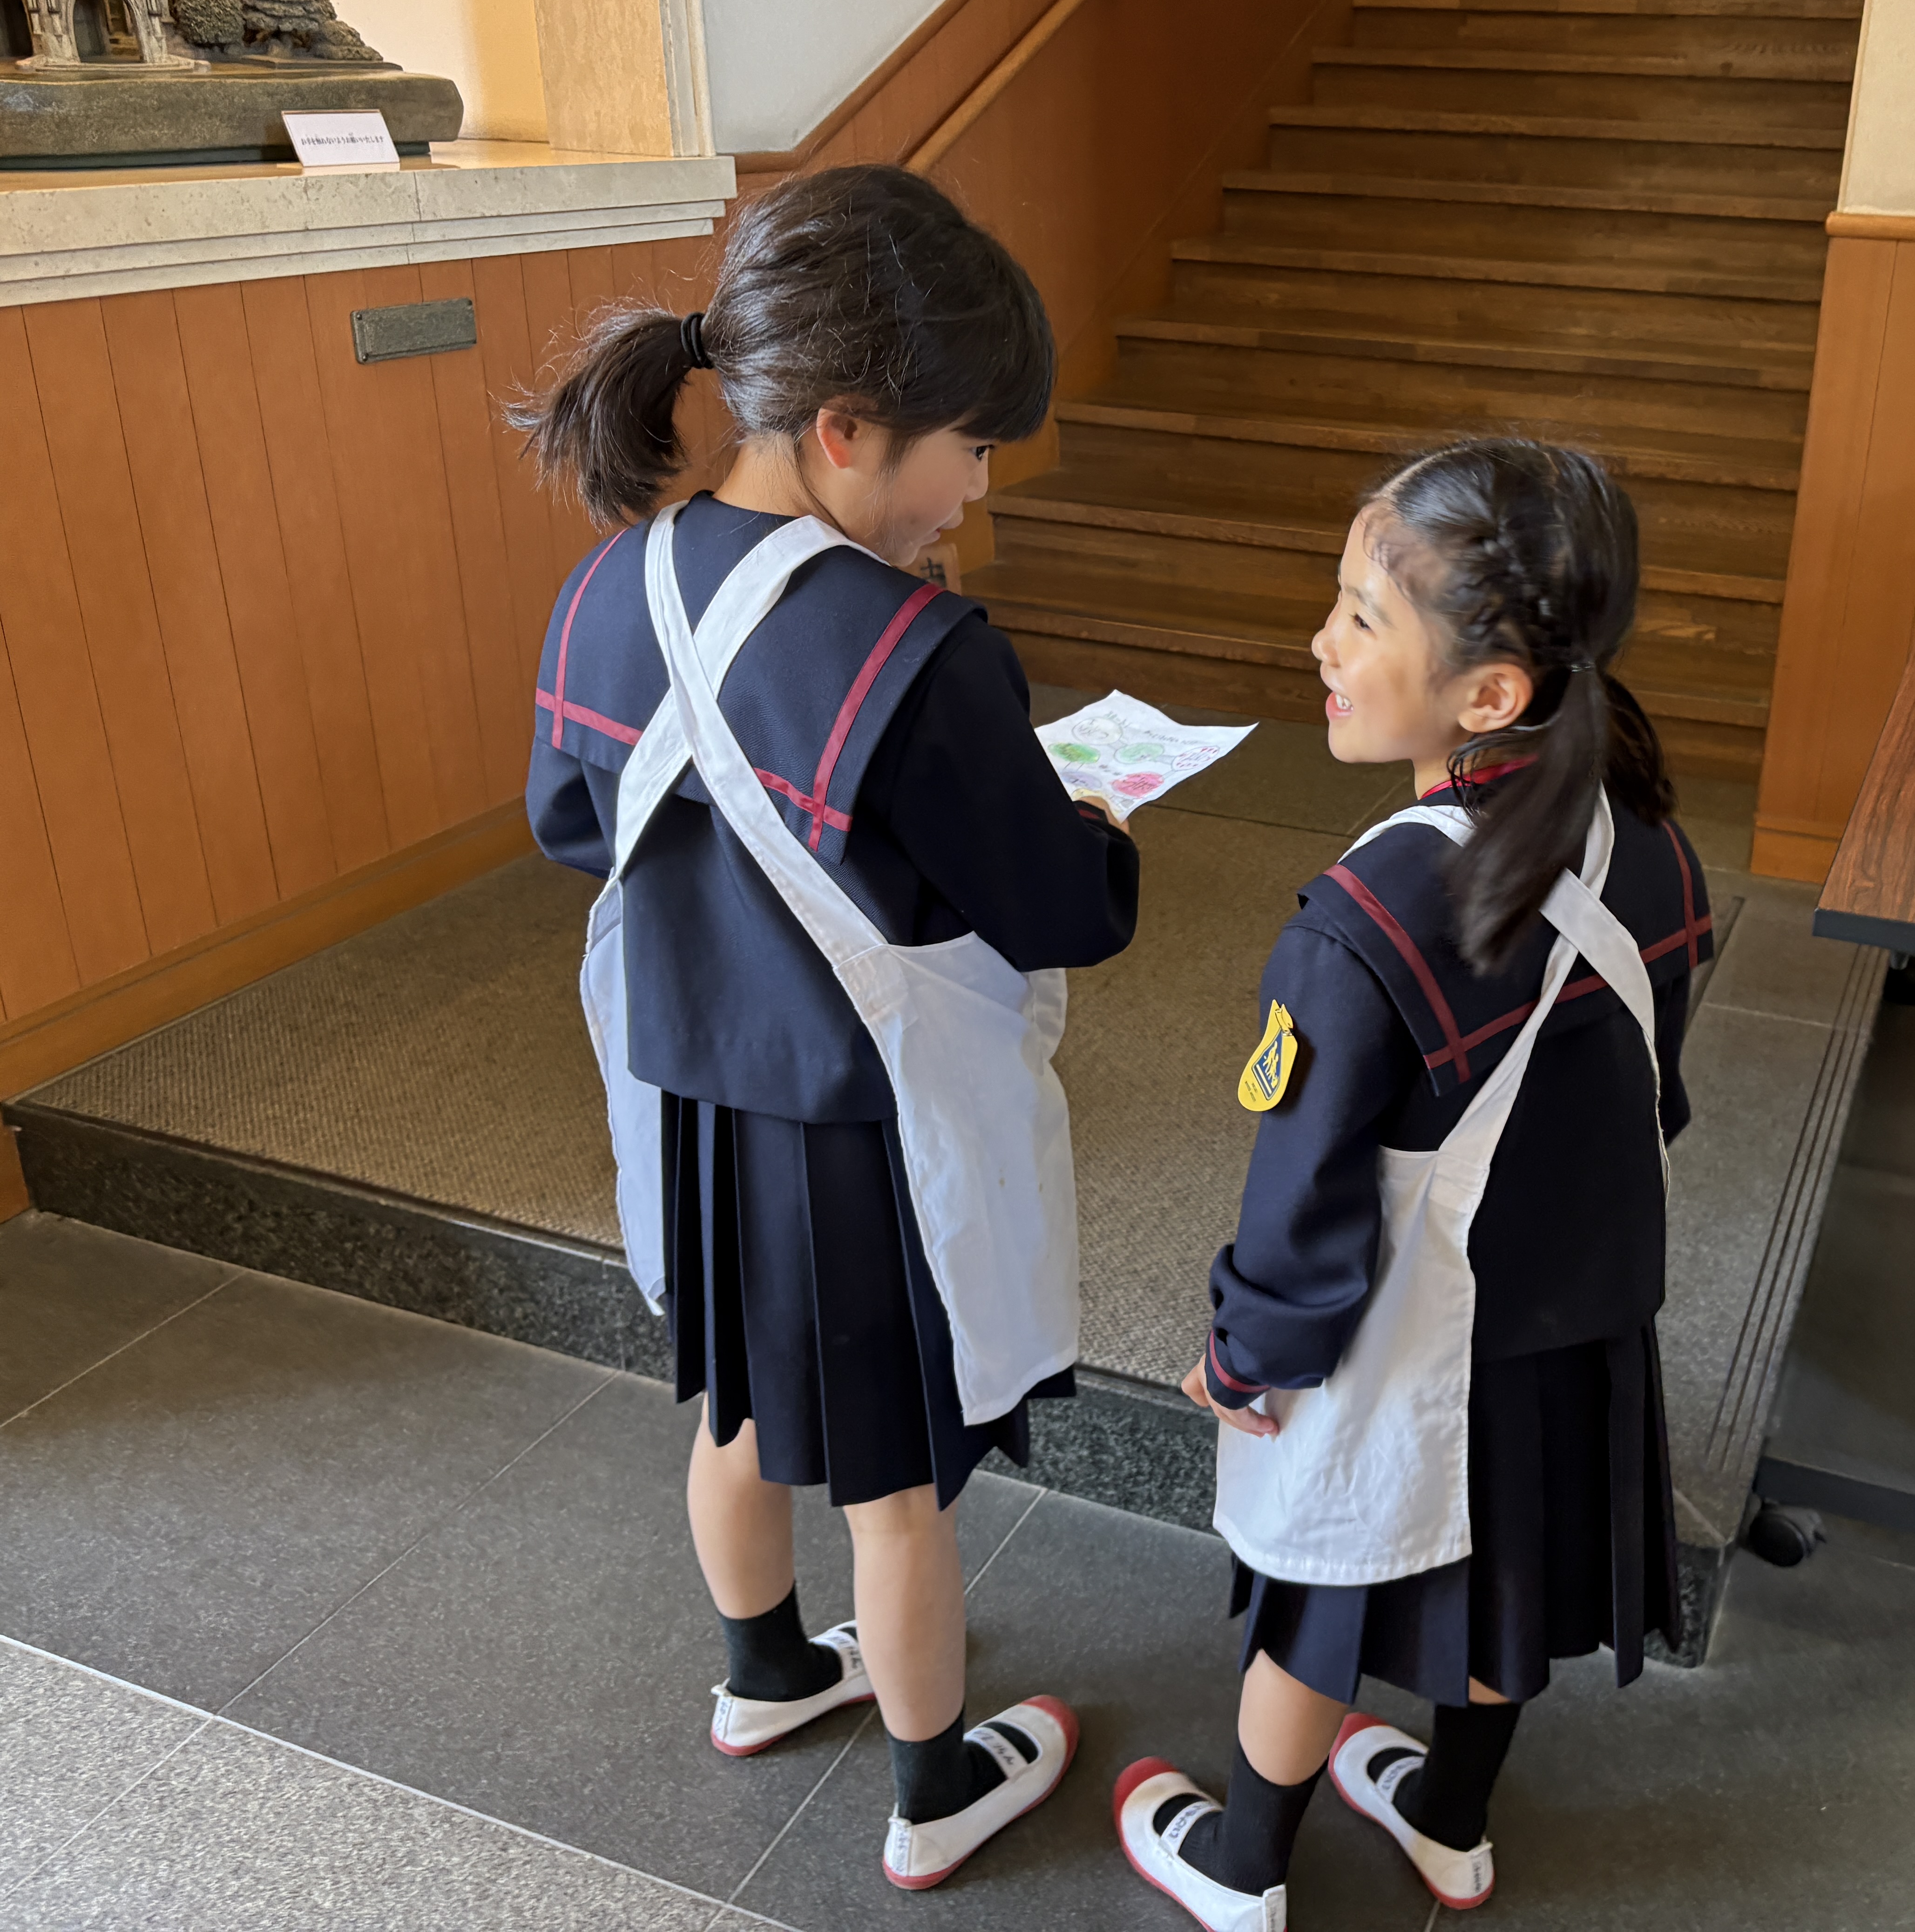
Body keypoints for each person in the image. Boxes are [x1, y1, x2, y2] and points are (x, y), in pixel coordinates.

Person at [514, 164, 1138, 1892]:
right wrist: (1098, 831)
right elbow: (1059, 909)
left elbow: (573, 827)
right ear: (850, 430)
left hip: (689, 1106)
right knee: (895, 1489)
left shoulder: (609, 586)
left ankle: (767, 1672)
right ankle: (937, 1784)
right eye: (973, 447)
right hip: (866, 1143)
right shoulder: (916, 650)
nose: (980, 488)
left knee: (729, 1401)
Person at [1116, 439, 1709, 1927]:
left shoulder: (1370, 914)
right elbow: (1656, 1089)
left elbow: (1305, 1200)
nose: (1322, 641)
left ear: (1489, 693)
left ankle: (1244, 1868)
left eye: (1363, 616)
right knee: (1512, 1595)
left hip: (1406, 1345)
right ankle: (1452, 1825)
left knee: (1312, 1615)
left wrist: (1244, 1354)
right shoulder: (1654, 846)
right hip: (1578, 1331)